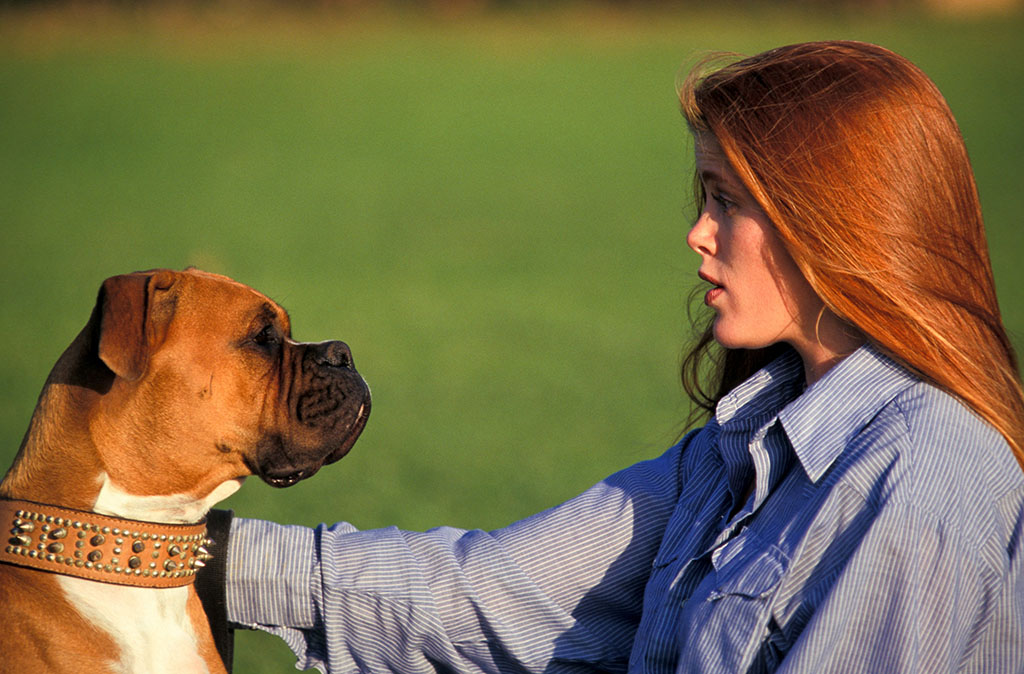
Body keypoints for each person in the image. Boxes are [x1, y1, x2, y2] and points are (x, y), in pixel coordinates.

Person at [208, 41, 1024, 673]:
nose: (698, 234)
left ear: (838, 219)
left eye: (728, 201)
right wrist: (178, 552)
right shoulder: (741, 445)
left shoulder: (922, 479)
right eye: (705, 197)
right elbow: (494, 593)